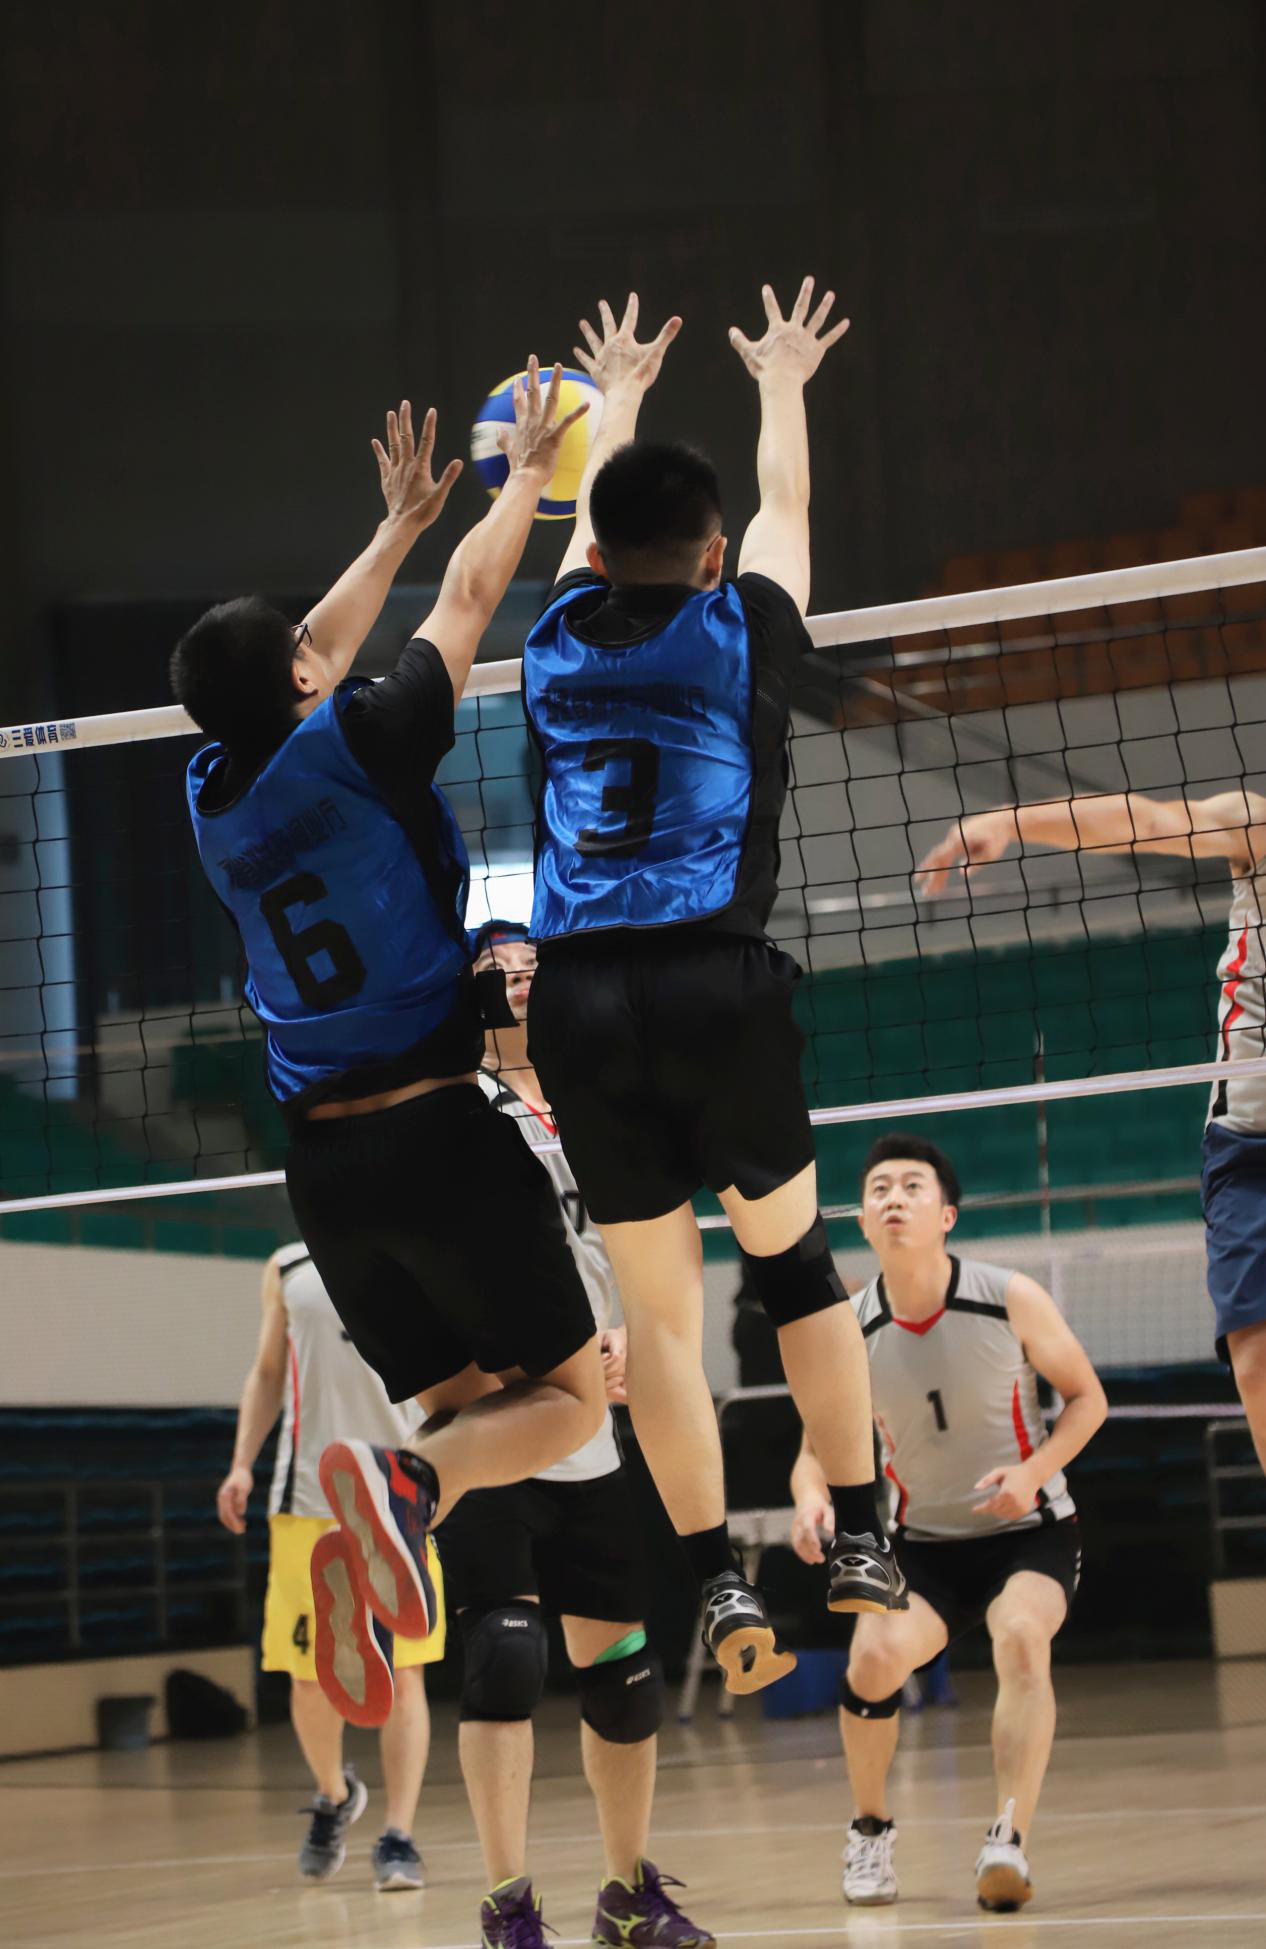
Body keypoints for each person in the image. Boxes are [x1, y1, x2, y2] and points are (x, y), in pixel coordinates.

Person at [174, 372, 607, 1689]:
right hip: (437, 1135)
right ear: (305, 675)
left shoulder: (208, 794)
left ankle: (394, 1509)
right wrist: (523, 480)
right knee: (571, 1401)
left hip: (324, 1174)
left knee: (470, 1412)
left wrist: (396, 525)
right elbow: (471, 598)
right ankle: (404, 1488)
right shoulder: (366, 737)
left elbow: (299, 651)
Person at [521, 286, 904, 1702]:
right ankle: (857, 1533)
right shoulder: (742, 624)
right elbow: (786, 505)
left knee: (661, 1320)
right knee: (794, 1267)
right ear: (713, 553)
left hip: (575, 998)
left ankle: (714, 1576)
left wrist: (610, 397)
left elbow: (591, 530)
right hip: (711, 979)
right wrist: (781, 379)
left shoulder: (554, 637)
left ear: (596, 552)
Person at [436, 918, 712, 1949]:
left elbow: (655, 1249)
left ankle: (627, 1893)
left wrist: (639, 1336)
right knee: (505, 1654)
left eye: (530, 966)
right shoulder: (453, 1108)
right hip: (493, 1409)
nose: (516, 978)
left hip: (593, 1425)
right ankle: (507, 1904)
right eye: (495, 969)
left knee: (626, 1674)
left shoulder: (601, 1103)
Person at [791, 1135, 1106, 1913]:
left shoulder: (1009, 1296)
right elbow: (812, 1452)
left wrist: (1032, 1471)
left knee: (1021, 1636)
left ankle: (1008, 1838)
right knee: (871, 1661)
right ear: (863, 1219)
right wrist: (810, 1499)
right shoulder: (845, 1329)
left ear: (947, 1214)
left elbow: (1088, 1398)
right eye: (879, 1188)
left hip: (1030, 1530)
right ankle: (870, 1830)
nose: (894, 1197)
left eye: (913, 1185)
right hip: (923, 1546)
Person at [917, 789, 1266, 1476]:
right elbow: (1152, 821)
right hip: (1250, 1146)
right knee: (1255, 1357)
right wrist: (1007, 822)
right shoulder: (1258, 824)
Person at [216, 1244, 445, 1887]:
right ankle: (335, 1795)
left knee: (405, 1675)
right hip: (307, 1499)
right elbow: (268, 1372)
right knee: (310, 1679)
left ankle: (398, 1837)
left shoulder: (420, 1248)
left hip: (400, 1495)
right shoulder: (287, 1266)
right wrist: (240, 1464)